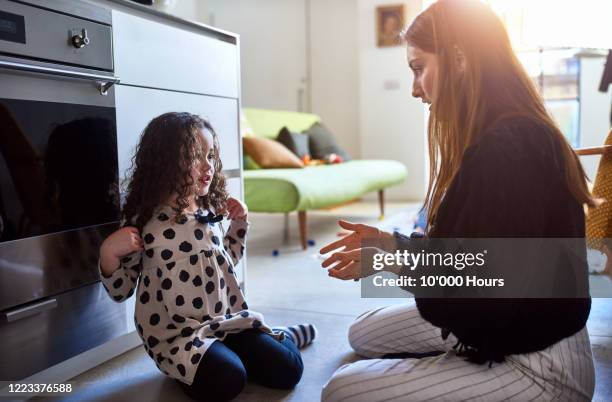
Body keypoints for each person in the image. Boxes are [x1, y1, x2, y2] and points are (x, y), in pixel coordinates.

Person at [319, 1, 596, 400]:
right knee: (361, 332)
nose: (415, 88)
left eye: (419, 69)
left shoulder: (508, 148)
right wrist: (392, 246)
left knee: (341, 391)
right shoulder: (500, 133)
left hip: (539, 363)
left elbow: (475, 290)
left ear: (460, 60)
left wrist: (391, 258)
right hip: (510, 318)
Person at [98, 112, 316, 401]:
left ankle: (280, 335)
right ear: (163, 163)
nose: (208, 166)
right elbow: (121, 289)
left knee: (289, 370)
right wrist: (108, 252)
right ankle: (219, 360)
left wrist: (240, 222)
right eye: (195, 156)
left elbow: (228, 263)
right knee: (228, 380)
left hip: (228, 323)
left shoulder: (209, 213)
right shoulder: (144, 224)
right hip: (179, 339)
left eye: (211, 156)